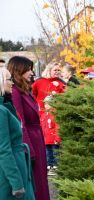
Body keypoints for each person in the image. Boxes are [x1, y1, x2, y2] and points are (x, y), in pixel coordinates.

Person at [7, 56, 50, 200]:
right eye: (28, 70)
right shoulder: (15, 92)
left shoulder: (24, 90)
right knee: (36, 182)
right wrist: (28, 150)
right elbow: (20, 123)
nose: (31, 73)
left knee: (41, 180)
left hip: (37, 139)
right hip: (31, 141)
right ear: (18, 71)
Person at [0, 66, 35, 200]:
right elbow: (3, 149)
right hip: (11, 170)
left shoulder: (5, 107)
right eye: (9, 79)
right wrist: (16, 183)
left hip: (16, 164)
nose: (12, 83)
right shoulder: (1, 111)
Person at [40, 95, 61, 176]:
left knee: (55, 153)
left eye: (48, 104)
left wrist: (57, 138)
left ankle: (56, 167)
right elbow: (42, 127)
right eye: (45, 104)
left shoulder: (55, 114)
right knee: (48, 153)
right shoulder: (43, 115)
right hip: (46, 139)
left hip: (53, 139)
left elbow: (57, 127)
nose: (46, 106)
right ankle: (50, 166)